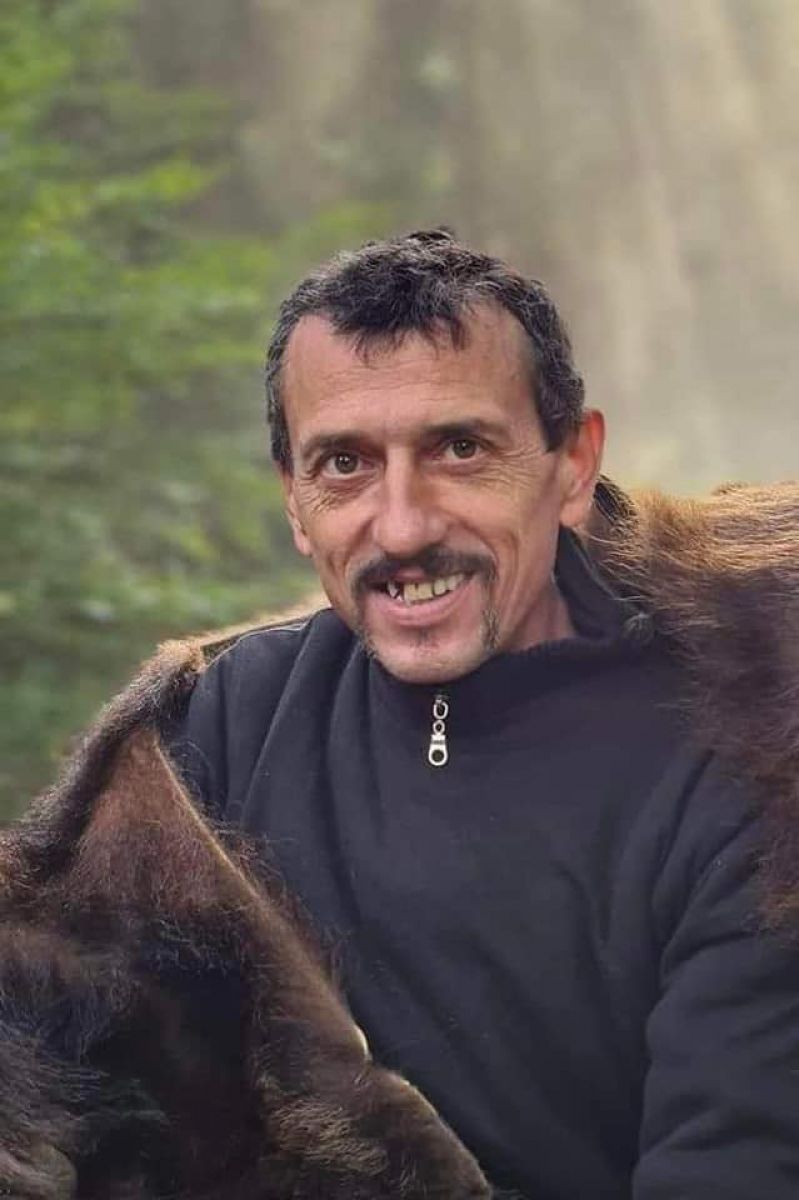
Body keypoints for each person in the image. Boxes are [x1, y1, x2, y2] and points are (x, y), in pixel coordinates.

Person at [161, 228, 799, 1198]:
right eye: (344, 464)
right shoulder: (230, 718)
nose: (403, 527)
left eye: (459, 449)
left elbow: (734, 1165)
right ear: (294, 501)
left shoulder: (741, 755)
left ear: (571, 464)